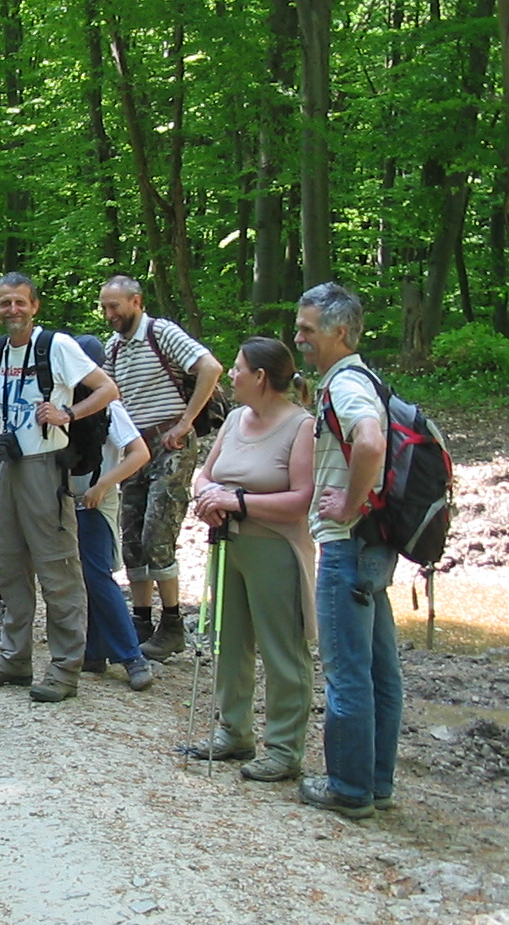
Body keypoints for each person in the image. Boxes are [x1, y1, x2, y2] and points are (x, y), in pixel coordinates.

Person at [0, 272, 117, 703]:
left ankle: (65, 667)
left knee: (57, 568)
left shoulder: (58, 347)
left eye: (19, 303)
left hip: (46, 467)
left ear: (34, 306)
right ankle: (14, 658)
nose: (12, 310)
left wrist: (67, 413)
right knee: (10, 565)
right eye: (5, 304)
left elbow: (108, 390)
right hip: (6, 464)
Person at [186, 338, 316, 781]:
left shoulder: (301, 427)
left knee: (282, 649)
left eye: (239, 368)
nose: (232, 375)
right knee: (229, 642)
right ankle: (234, 731)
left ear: (261, 377)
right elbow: (204, 474)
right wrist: (208, 496)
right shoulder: (236, 419)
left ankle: (283, 749)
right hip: (227, 544)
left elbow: (301, 499)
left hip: (275, 548)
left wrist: (237, 501)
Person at [295, 283, 398, 818]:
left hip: (346, 545)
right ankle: (376, 784)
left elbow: (372, 442)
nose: (299, 338)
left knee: (347, 670)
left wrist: (349, 505)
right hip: (375, 545)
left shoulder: (345, 385)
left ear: (339, 332)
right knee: (381, 667)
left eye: (308, 329)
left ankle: (349, 790)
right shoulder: (368, 378)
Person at [99, 275, 224, 661]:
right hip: (134, 447)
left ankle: (171, 625)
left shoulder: (161, 333)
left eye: (114, 306)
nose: (109, 314)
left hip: (171, 442)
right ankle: (140, 620)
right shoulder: (113, 349)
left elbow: (210, 367)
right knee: (132, 535)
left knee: (158, 532)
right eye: (104, 307)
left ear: (136, 301)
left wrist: (186, 422)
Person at [70, 336, 155, 692]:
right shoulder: (62, 406)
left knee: (97, 577)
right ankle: (92, 650)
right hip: (67, 503)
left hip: (95, 502)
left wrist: (103, 486)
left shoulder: (110, 408)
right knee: (78, 578)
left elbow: (139, 453)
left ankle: (132, 655)